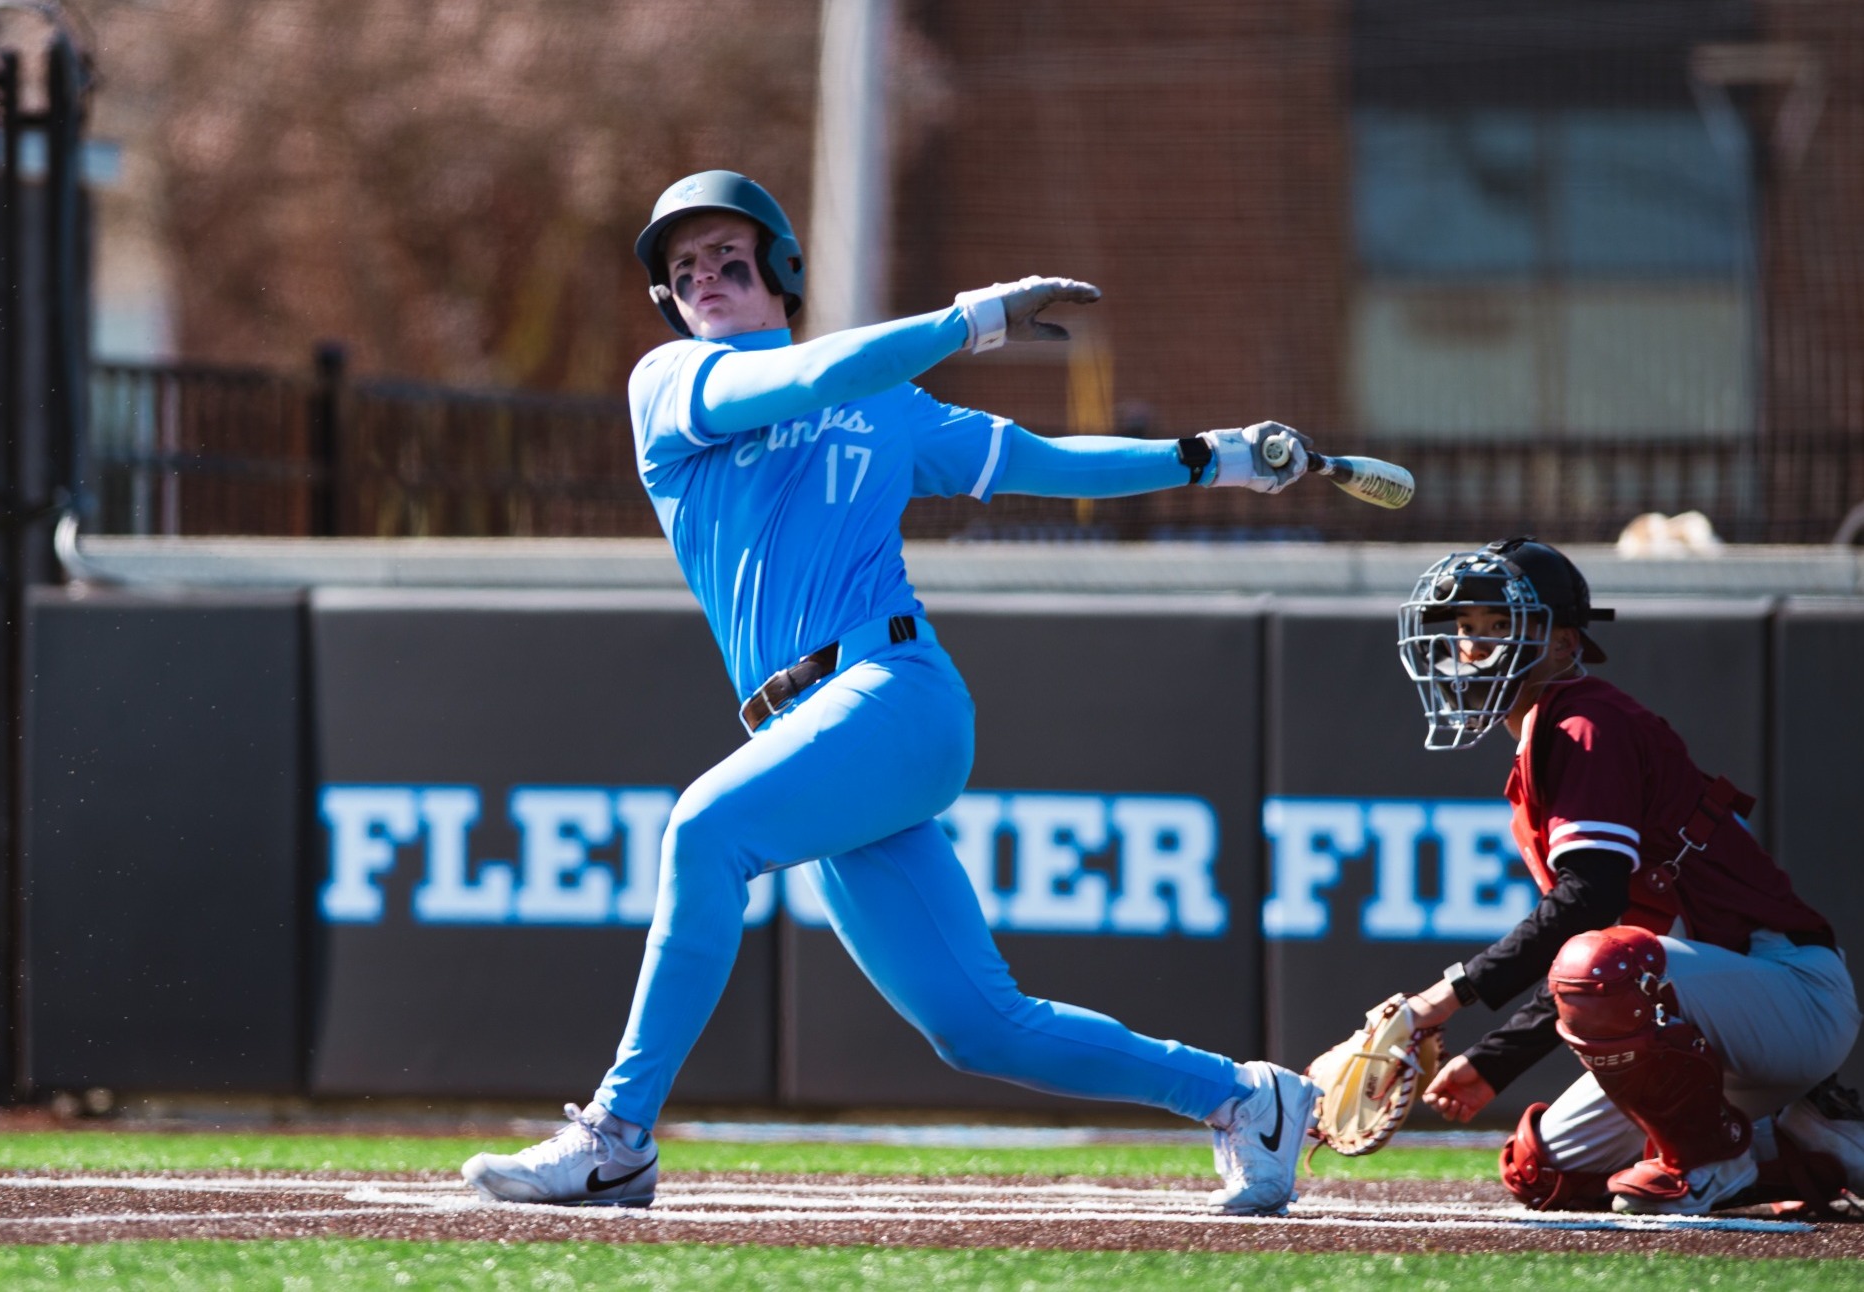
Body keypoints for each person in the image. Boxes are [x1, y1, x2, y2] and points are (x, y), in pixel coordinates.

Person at [459, 169, 1320, 1213]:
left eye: (731, 257)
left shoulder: (881, 399)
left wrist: (1215, 457)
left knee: (703, 829)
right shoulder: (670, 381)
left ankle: (618, 1133)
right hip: (816, 730)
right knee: (979, 1027)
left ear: (782, 271)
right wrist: (970, 320)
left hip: (892, 690)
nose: (706, 279)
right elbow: (797, 384)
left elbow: (1047, 462)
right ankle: (1248, 1098)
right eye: (685, 270)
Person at [1392, 536, 1864, 1214]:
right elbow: (1600, 934)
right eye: (1467, 628)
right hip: (1706, 1006)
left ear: (1563, 643)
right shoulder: (1547, 742)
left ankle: (1713, 1158)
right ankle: (1797, 1142)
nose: (1476, 645)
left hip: (1787, 991)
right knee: (1541, 1172)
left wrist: (1442, 999)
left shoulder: (1587, 724)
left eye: (1500, 626)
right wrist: (1492, 1061)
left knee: (1598, 965)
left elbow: (1593, 907)